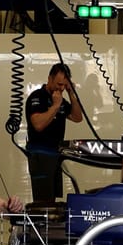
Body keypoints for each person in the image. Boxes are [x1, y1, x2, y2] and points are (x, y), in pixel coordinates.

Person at [23, 62, 83, 205]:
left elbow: (77, 117)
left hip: (56, 155)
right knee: (43, 201)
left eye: (64, 85)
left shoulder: (61, 99)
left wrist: (71, 93)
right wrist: (55, 106)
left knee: (52, 199)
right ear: (50, 78)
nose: (61, 88)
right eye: (59, 84)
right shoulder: (37, 97)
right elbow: (38, 125)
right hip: (40, 155)